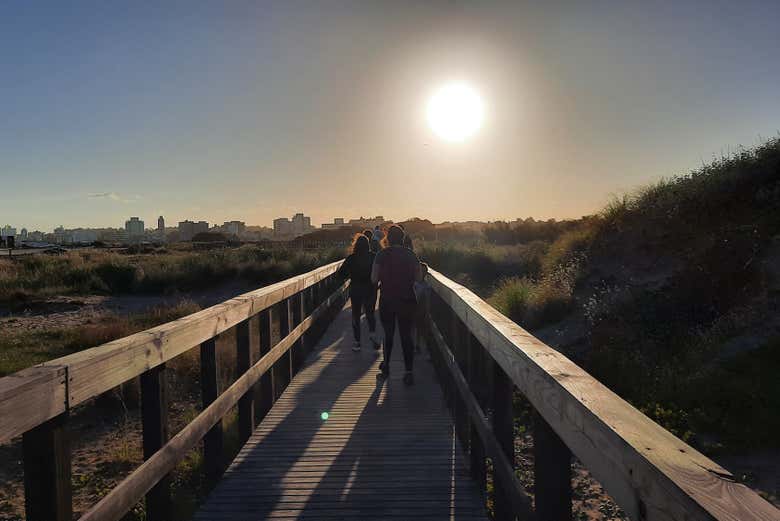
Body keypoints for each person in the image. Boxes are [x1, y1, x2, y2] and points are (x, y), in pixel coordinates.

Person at [371, 224, 423, 385]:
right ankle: (408, 372)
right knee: (406, 336)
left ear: (387, 238)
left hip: (387, 300)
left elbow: (374, 279)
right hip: (407, 300)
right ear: (402, 238)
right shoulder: (411, 255)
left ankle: (386, 367)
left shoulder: (381, 255)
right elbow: (419, 278)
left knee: (388, 334)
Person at [338, 234, 379, 351]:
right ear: (368, 245)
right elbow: (378, 272)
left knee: (355, 315)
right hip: (370, 289)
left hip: (356, 289)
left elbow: (341, 274)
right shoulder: (374, 257)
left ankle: (357, 342)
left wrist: (350, 274)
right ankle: (372, 334)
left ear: (356, 245)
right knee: (370, 313)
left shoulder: (352, 258)